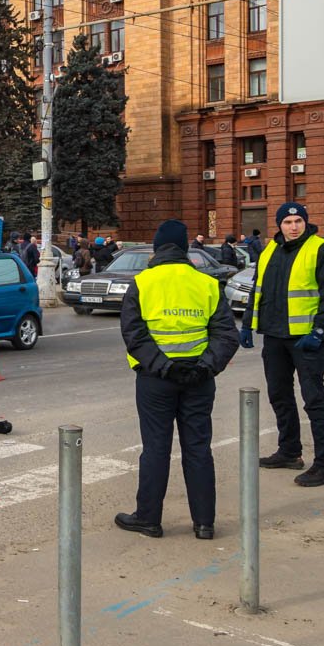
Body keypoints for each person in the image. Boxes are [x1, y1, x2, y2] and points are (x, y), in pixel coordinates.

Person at [115, 220, 239, 539]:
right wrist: (204, 368)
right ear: (185, 249)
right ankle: (204, 523)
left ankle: (149, 518)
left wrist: (164, 367)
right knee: (198, 447)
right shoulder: (207, 283)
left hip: (155, 379)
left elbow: (134, 334)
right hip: (199, 378)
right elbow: (226, 335)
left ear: (157, 249)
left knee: (156, 447)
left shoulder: (142, 283)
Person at [240, 202, 324, 487]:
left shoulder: (321, 249)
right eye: (287, 222)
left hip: (306, 340)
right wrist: (248, 325)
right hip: (274, 337)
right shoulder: (269, 250)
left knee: (314, 401)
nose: (293, 226)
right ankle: (289, 452)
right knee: (279, 396)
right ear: (279, 225)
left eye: (298, 220)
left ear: (305, 222)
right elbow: (257, 290)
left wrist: (320, 330)